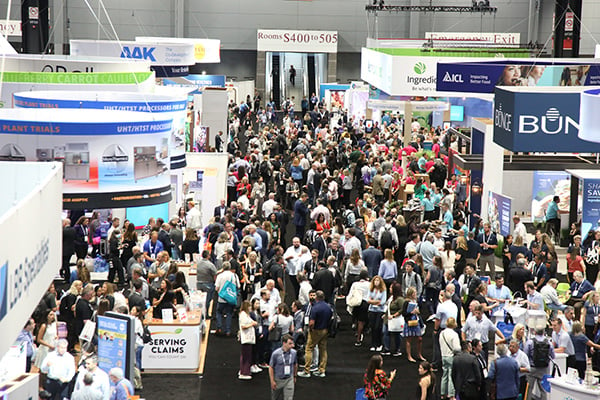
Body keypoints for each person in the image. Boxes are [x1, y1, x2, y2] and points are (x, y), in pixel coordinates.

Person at [298, 290, 332, 377]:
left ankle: (307, 371)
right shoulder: (328, 307)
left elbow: (312, 322)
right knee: (323, 350)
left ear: (316, 297)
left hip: (316, 330)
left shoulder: (315, 308)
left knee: (309, 348)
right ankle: (322, 370)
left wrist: (310, 329)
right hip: (325, 330)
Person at [523, 328, 554, 400]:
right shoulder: (549, 342)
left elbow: (525, 355)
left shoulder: (530, 342)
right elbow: (553, 356)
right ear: (544, 332)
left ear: (535, 332)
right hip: (544, 369)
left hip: (532, 369)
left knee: (529, 389)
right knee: (543, 390)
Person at [215, 262, 241, 336]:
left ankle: (219, 327)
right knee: (229, 313)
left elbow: (216, 288)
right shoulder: (234, 276)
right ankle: (228, 331)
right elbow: (238, 286)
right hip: (231, 298)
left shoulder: (220, 276)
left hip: (221, 298)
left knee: (219, 312)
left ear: (223, 267)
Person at [269, 334, 297, 400]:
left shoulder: (294, 353)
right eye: (290, 344)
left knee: (289, 398)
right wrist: (272, 381)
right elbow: (271, 367)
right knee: (275, 398)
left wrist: (294, 376)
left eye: (292, 343)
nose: (292, 346)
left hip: (289, 379)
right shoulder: (275, 354)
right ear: (284, 343)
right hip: (278, 380)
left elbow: (295, 364)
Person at [439, 317, 461, 399]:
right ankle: (451, 395)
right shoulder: (454, 334)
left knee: (444, 375)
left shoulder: (442, 333)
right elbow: (456, 348)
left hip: (443, 355)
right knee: (451, 376)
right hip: (451, 356)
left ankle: (442, 393)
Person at [402, 287, 424, 363]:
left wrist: (417, 312)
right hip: (409, 321)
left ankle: (419, 354)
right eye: (414, 293)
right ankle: (409, 356)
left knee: (419, 338)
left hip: (416, 320)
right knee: (409, 339)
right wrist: (411, 312)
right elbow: (404, 313)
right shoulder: (406, 302)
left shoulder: (416, 301)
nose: (415, 294)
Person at [367, 276, 387, 352]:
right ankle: (373, 344)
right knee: (372, 327)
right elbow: (368, 300)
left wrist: (373, 301)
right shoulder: (371, 289)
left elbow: (382, 302)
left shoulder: (383, 290)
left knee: (378, 327)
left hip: (380, 311)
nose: (376, 282)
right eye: (375, 281)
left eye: (378, 281)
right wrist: (376, 302)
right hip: (372, 310)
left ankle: (379, 344)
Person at [239, 300, 258, 380]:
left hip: (249, 337)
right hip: (246, 337)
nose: (250, 308)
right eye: (249, 306)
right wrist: (252, 324)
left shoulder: (246, 315)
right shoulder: (243, 314)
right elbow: (243, 326)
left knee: (246, 354)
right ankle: (244, 372)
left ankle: (243, 370)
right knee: (246, 355)